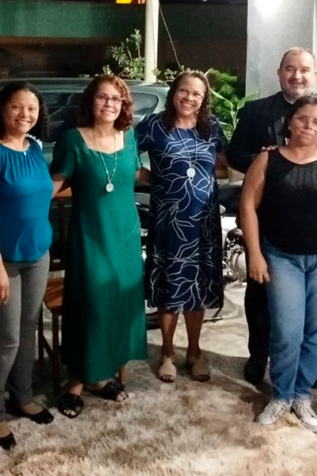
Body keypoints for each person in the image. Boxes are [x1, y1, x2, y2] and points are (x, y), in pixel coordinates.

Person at [226, 47, 317, 387]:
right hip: (265, 220)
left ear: (315, 75)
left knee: (313, 307)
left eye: (304, 70)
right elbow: (234, 154)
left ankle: (306, 367)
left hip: (316, 225)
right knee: (260, 294)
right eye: (290, 69)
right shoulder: (256, 111)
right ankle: (259, 354)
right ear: (279, 72)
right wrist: (269, 159)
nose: (297, 75)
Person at [240, 95, 317, 433]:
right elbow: (248, 207)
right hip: (281, 257)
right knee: (286, 330)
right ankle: (281, 394)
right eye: (302, 119)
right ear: (290, 122)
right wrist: (255, 254)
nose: (308, 126)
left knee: (314, 332)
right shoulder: (267, 159)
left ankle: (302, 395)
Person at [50, 75, 147, 418]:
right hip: (90, 235)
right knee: (91, 306)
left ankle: (102, 375)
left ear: (124, 105)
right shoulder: (73, 141)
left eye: (116, 99)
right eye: (102, 97)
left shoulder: (130, 137)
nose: (109, 104)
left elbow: (136, 175)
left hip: (126, 236)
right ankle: (76, 381)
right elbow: (52, 186)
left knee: (119, 304)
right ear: (91, 101)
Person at [0, 82, 54, 449]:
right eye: (17, 106)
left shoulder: (34, 148)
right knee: (5, 339)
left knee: (28, 329)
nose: (24, 114)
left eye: (31, 108)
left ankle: (23, 395)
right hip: (0, 261)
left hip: (37, 255)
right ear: (2, 109)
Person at [136, 70, 227, 384]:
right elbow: (126, 157)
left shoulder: (211, 127)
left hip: (203, 221)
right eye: (184, 91)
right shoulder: (153, 125)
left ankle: (195, 352)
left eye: (197, 94)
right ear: (174, 92)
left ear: (204, 99)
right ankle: (166, 353)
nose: (189, 98)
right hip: (169, 220)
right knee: (170, 283)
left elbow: (225, 165)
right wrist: (155, 178)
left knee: (198, 286)